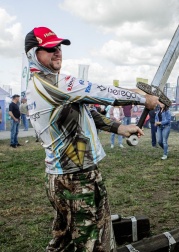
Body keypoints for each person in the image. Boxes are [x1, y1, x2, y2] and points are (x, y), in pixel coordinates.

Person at [24, 26, 158, 252]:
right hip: (78, 178)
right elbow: (101, 92)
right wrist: (143, 99)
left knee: (64, 240)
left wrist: (120, 128)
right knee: (94, 242)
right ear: (32, 55)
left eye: (58, 47)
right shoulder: (53, 83)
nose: (57, 52)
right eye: (48, 48)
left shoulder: (41, 86)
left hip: (62, 176)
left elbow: (86, 111)